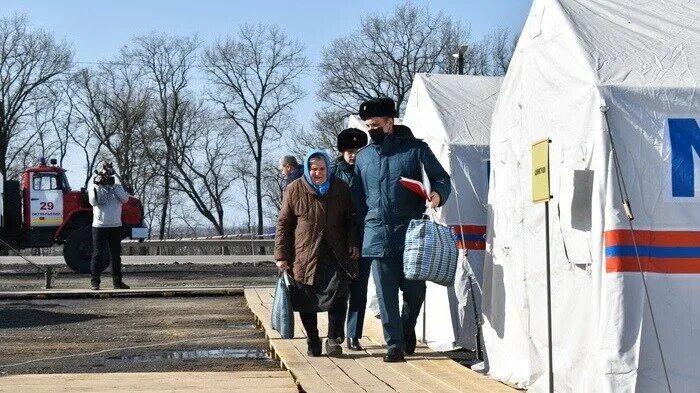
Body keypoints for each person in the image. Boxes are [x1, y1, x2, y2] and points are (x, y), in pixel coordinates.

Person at [354, 97, 451, 362]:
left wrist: (437, 195)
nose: (370, 129)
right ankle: (394, 344)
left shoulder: (415, 150)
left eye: (375, 124)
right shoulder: (363, 158)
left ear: (389, 121)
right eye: (367, 125)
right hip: (376, 235)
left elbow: (442, 178)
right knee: (386, 296)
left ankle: (407, 329)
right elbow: (358, 200)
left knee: (415, 292)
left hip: (411, 235)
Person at [275, 149, 360, 357]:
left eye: (322, 169)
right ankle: (313, 338)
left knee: (339, 295)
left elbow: (351, 219)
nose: (318, 173)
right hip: (304, 253)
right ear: (307, 169)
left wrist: (353, 243)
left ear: (328, 169)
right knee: (306, 299)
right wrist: (281, 256)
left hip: (335, 252)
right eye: (314, 169)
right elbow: (284, 224)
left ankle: (333, 339)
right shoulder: (294, 189)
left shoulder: (340, 188)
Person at [332, 128, 370, 351]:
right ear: (342, 152)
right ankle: (335, 332)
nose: (353, 155)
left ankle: (354, 334)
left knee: (359, 289)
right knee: (338, 288)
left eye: (357, 150)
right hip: (340, 239)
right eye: (349, 150)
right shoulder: (334, 173)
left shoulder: (368, 170)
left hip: (365, 236)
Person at [89, 162, 131, 291]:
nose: (106, 178)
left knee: (115, 255)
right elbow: (93, 202)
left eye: (108, 175)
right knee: (98, 254)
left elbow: (125, 200)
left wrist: (113, 186)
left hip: (115, 225)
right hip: (99, 226)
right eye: (104, 176)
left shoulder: (117, 186)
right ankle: (95, 282)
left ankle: (117, 282)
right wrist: (99, 186)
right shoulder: (94, 187)